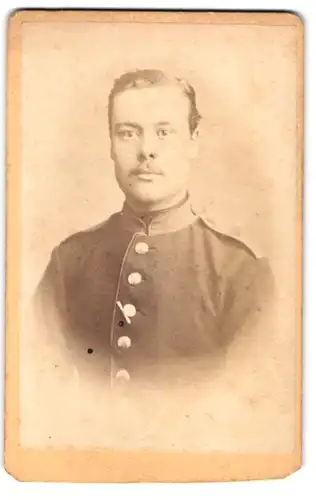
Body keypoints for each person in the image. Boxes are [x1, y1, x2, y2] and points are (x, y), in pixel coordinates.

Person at [33, 69, 274, 390]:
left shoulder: (240, 272)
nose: (146, 150)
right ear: (111, 146)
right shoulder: (68, 262)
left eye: (164, 132)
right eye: (128, 133)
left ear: (193, 142)